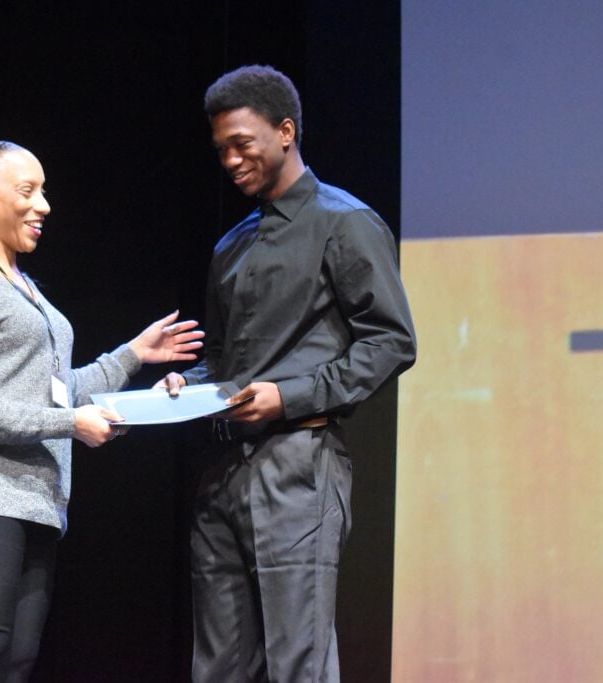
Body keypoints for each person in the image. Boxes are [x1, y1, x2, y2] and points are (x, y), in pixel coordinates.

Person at [0, 129, 203, 682]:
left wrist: (132, 358)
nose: (43, 205)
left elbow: (50, 390)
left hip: (35, 500)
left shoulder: (25, 287)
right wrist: (71, 423)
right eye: (27, 190)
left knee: (14, 667)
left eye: (44, 191)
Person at [157, 66, 417, 682]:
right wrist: (186, 388)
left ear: (285, 132)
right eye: (220, 148)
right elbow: (221, 361)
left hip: (298, 465)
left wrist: (289, 397)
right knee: (217, 665)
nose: (229, 159)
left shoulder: (344, 222)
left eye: (241, 144)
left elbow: (391, 341)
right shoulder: (232, 245)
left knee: (297, 661)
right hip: (220, 473)